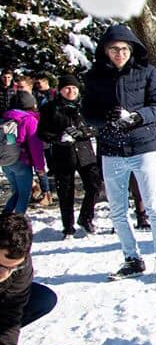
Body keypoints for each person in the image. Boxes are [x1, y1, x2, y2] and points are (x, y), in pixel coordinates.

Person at [82, 24, 156, 280]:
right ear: (105, 51)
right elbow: (87, 113)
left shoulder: (147, 72)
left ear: (132, 49)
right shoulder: (94, 77)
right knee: (117, 209)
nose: (119, 53)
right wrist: (105, 118)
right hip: (111, 149)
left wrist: (136, 117)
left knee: (154, 204)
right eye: (114, 49)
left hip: (143, 146)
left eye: (124, 49)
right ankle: (131, 258)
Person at [0, 213, 57, 345]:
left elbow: (10, 319)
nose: (5, 275)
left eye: (12, 268)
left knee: (43, 298)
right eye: (0, 266)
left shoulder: (21, 269)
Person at [36, 75, 102, 237]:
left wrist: (84, 132)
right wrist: (59, 137)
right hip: (63, 155)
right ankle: (68, 227)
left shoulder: (85, 106)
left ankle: (86, 218)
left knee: (94, 186)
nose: (71, 91)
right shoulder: (50, 108)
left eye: (74, 88)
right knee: (66, 192)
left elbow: (98, 127)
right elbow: (42, 132)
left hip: (85, 153)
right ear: (60, 90)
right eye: (67, 88)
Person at [1, 92, 47, 214]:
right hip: (22, 162)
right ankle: (17, 222)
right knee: (24, 195)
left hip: (6, 162)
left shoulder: (6, 117)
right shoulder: (29, 119)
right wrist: (40, 167)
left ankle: (5, 217)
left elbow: (10, 140)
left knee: (16, 192)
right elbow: (35, 146)